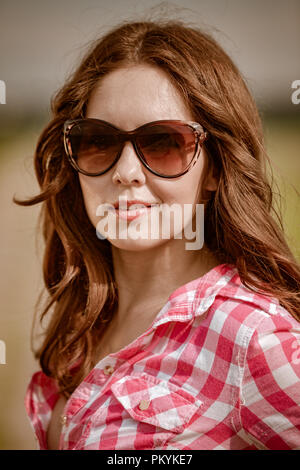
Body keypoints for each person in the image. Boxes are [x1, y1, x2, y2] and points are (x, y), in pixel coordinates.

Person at [15, 19, 300, 450]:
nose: (126, 173)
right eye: (98, 141)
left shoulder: (252, 334)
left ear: (215, 168)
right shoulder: (85, 319)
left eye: (163, 142)